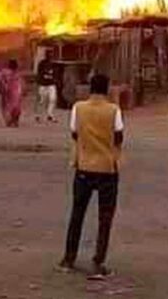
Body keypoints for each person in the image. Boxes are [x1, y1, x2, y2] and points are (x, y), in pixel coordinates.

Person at [59, 73, 124, 279]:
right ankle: (98, 261)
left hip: (84, 167)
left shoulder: (79, 108)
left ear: (90, 88)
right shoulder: (114, 110)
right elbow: (119, 136)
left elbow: (74, 133)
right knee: (105, 218)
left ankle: (69, 258)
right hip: (107, 169)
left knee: (77, 214)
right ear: (106, 89)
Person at [0, 59, 24, 127]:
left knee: (12, 107)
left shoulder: (13, 72)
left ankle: (12, 120)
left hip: (12, 92)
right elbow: (2, 82)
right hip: (12, 92)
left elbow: (2, 82)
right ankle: (12, 120)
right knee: (14, 107)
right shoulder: (6, 72)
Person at [35, 57, 58, 123]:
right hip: (43, 85)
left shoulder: (54, 64)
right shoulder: (42, 63)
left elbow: (55, 74)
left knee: (53, 99)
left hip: (51, 84)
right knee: (42, 101)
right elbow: (39, 73)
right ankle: (38, 115)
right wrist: (39, 81)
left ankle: (50, 114)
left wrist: (55, 79)